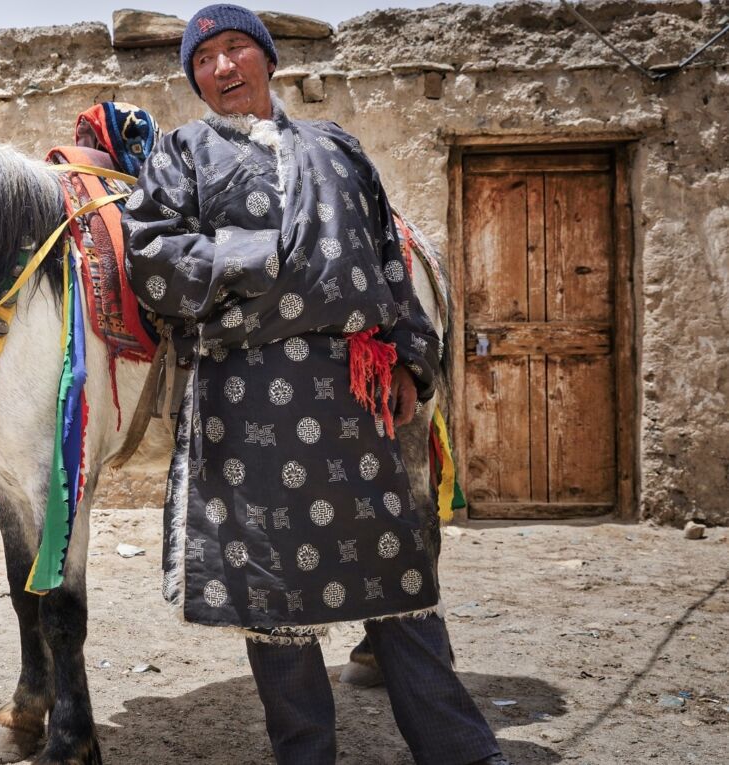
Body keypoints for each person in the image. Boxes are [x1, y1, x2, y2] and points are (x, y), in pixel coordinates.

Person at [122, 7, 507, 765]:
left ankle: (461, 750)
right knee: (274, 593)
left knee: (397, 572)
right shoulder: (182, 153)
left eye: (237, 50)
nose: (224, 69)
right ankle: (305, 754)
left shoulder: (338, 148)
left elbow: (387, 260)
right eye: (206, 61)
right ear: (194, 79)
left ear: (267, 59)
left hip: (349, 398)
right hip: (246, 400)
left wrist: (406, 357)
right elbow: (154, 256)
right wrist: (269, 256)